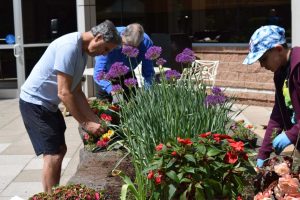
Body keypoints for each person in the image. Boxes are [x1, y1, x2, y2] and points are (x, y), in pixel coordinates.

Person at [19, 20, 121, 193]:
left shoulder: (81, 52)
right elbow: (64, 93)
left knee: (60, 149)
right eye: (105, 49)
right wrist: (86, 124)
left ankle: (53, 192)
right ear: (98, 37)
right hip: (34, 103)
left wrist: (95, 119)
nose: (103, 54)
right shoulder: (69, 47)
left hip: (47, 104)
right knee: (53, 154)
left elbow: (77, 91)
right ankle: (50, 196)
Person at [243, 25, 300, 168]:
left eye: (263, 58)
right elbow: (278, 115)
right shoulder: (280, 73)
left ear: (279, 49)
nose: (261, 65)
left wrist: (292, 134)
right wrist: (263, 154)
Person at [93, 23, 155, 102]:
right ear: (122, 35)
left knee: (132, 107)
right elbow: (98, 73)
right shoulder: (109, 38)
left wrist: (148, 94)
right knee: (105, 110)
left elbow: (148, 73)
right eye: (126, 44)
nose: (129, 50)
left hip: (127, 74)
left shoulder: (146, 42)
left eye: (134, 47)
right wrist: (112, 90)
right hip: (105, 76)